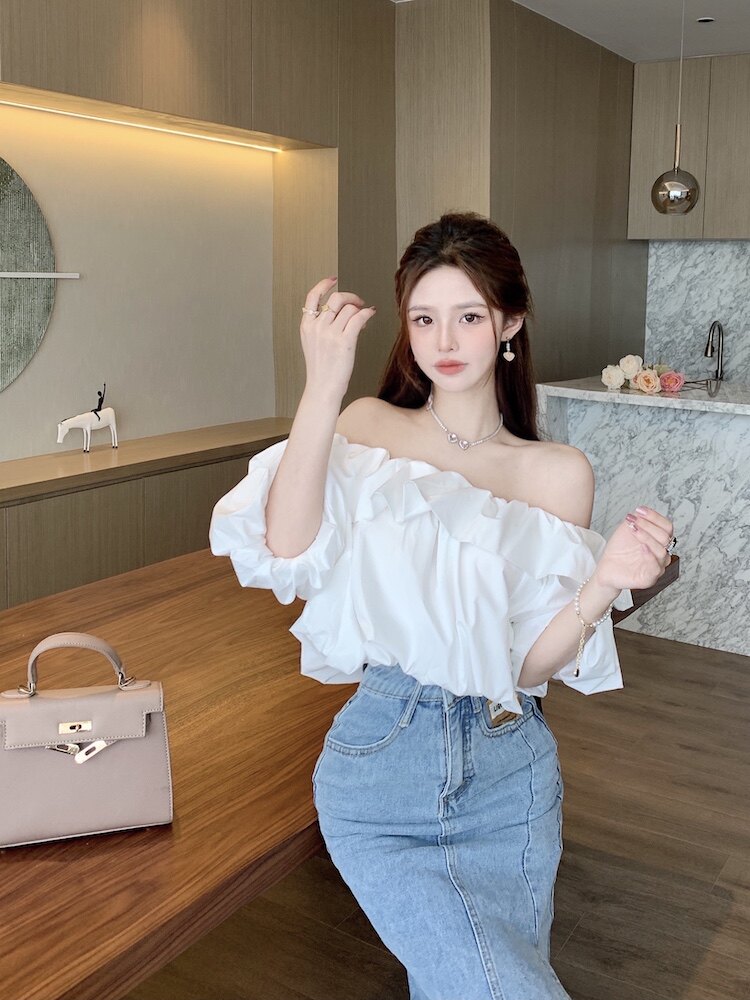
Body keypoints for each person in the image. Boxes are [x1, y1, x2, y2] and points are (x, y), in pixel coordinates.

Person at [209, 213, 675, 1000]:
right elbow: (286, 547)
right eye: (424, 319)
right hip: (382, 770)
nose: (444, 340)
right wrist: (323, 386)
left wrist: (604, 584)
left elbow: (524, 666)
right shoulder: (369, 426)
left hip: (510, 776)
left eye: (468, 316)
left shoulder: (557, 473)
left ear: (510, 323)